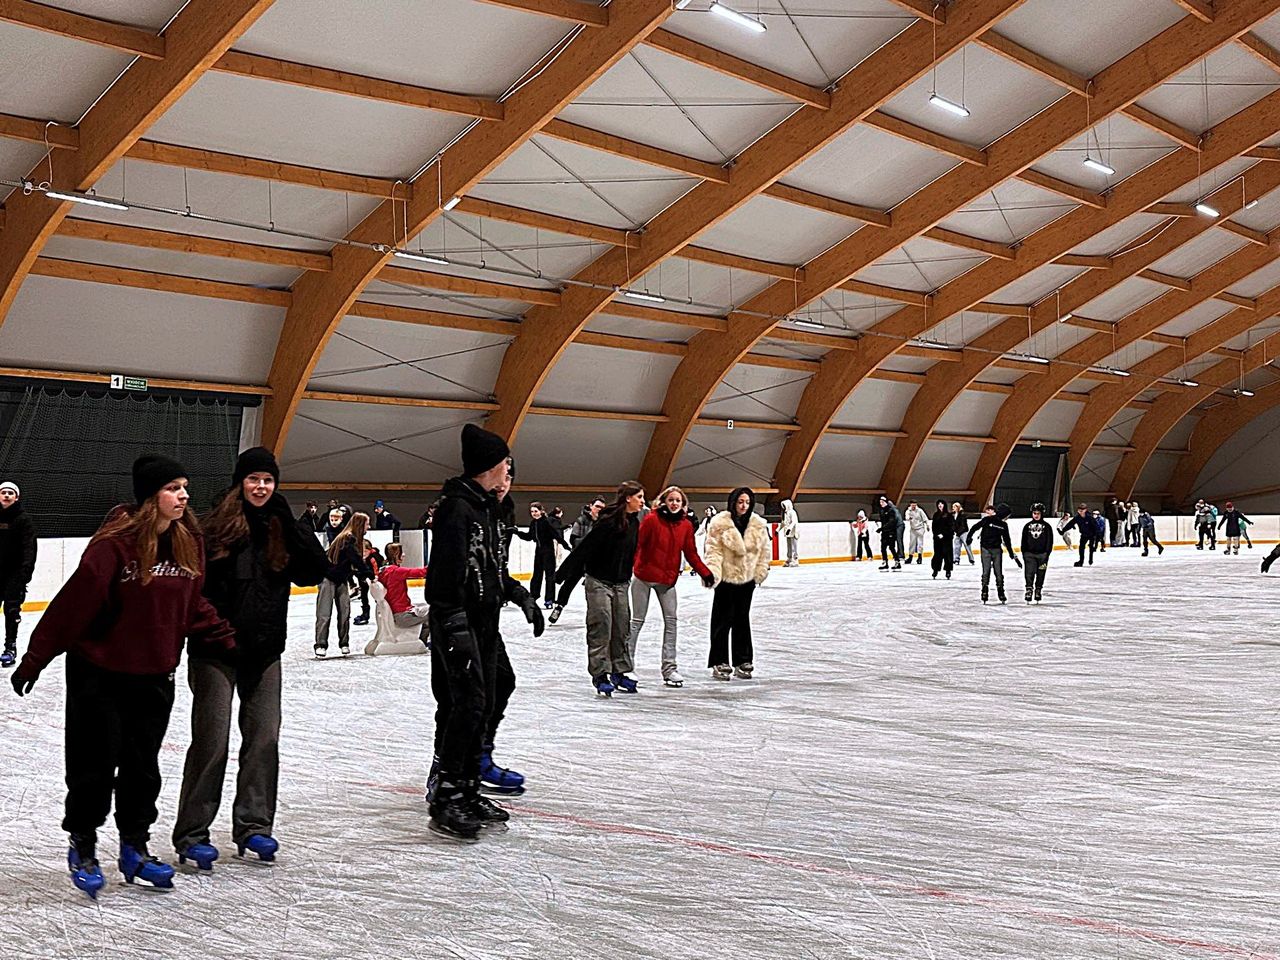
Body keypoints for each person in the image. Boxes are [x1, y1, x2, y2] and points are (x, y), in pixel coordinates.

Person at [10, 455, 234, 897]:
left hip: (154, 675)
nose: (184, 495)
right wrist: (36, 657)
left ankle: (135, 847)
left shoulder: (189, 540)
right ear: (152, 496)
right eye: (173, 488)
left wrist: (228, 639)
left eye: (184, 486)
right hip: (100, 674)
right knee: (93, 768)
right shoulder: (115, 544)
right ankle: (85, 844)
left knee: (142, 771)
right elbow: (73, 605)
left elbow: (190, 604)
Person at [172, 447, 328, 872]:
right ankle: (193, 833)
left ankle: (254, 827)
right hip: (215, 653)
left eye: (269, 481)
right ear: (241, 482)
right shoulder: (215, 526)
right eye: (255, 479)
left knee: (264, 738)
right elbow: (194, 588)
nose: (261, 487)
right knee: (212, 741)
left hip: (263, 654)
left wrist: (291, 523)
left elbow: (315, 570)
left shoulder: (281, 527)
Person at [424, 426, 543, 841]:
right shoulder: (457, 510)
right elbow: (443, 578)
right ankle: (448, 794)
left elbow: (492, 571)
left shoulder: (487, 508)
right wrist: (453, 626)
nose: (509, 472)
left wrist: (520, 595)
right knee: (468, 703)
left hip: (484, 621)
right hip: (459, 622)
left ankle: (469, 785)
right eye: (505, 464)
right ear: (491, 466)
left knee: (491, 693)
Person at [556, 482, 645, 697]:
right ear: (627, 498)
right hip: (598, 581)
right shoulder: (607, 522)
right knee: (601, 625)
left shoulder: (634, 523)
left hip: (621, 582)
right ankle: (600, 674)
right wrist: (562, 574)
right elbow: (586, 548)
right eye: (639, 497)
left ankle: (619, 671)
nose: (643, 501)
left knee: (621, 627)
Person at [628, 486, 714, 688]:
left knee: (671, 622)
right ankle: (626, 665)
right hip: (644, 577)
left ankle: (670, 669)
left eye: (678, 501)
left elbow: (691, 553)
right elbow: (638, 544)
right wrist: (630, 565)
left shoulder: (685, 526)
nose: (674, 503)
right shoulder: (651, 520)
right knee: (637, 621)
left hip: (667, 581)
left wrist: (705, 572)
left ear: (683, 505)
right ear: (664, 502)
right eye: (671, 500)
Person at [704, 487, 770, 681]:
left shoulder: (757, 524)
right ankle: (719, 660)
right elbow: (713, 550)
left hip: (747, 580)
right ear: (733, 502)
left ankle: (743, 659)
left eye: (747, 502)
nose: (743, 506)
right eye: (740, 502)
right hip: (726, 579)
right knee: (722, 621)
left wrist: (760, 571)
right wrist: (713, 573)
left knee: (742, 619)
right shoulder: (719, 524)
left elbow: (764, 551)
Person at [314, 512, 369, 657]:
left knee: (345, 612)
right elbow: (355, 559)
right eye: (367, 524)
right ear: (360, 524)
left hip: (341, 579)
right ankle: (320, 644)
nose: (368, 527)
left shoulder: (353, 539)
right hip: (327, 578)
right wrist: (369, 574)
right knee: (324, 613)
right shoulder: (347, 538)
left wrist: (362, 575)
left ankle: (344, 643)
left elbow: (351, 564)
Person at [0, 481, 36, 669]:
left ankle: (10, 647)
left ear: (16, 497)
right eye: (3, 492)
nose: (6, 495)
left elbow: (29, 548)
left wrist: (24, 574)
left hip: (14, 575)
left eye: (10, 493)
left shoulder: (23, 520)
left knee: (11, 611)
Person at [515, 502, 568, 610]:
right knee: (536, 575)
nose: (534, 513)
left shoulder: (546, 522)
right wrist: (517, 532)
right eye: (532, 512)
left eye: (536, 511)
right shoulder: (533, 523)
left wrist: (565, 544)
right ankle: (534, 596)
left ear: (541, 511)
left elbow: (555, 535)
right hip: (538, 552)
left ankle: (549, 599)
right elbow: (529, 537)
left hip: (548, 552)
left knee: (549, 576)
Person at [965, 503, 1020, 604]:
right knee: (986, 572)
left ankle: (1001, 591)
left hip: (997, 550)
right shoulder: (987, 520)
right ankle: (984, 591)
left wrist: (1011, 552)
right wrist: (969, 537)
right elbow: (975, 527)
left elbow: (1007, 540)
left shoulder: (1003, 525)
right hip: (985, 549)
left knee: (998, 572)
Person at [377, 542, 429, 640]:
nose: (404, 555)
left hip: (398, 612)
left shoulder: (383, 571)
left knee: (426, 610)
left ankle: (423, 639)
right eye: (402, 552)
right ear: (396, 555)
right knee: (434, 614)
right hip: (402, 615)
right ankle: (426, 641)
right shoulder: (396, 572)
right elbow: (422, 572)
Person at [1020, 503, 1054, 603]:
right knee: (1029, 573)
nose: (1036, 515)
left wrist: (1047, 553)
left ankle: (1038, 589)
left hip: (1042, 555)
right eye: (1034, 513)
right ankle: (1029, 589)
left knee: (1041, 573)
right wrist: (1024, 552)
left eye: (1038, 513)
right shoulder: (1027, 526)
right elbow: (1024, 540)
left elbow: (1049, 541)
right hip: (1029, 554)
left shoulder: (1047, 527)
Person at [876, 495, 903, 571]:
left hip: (891, 532)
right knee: (883, 548)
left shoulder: (891, 510)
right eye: (880, 502)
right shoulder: (881, 511)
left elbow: (891, 522)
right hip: (884, 532)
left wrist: (882, 528)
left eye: (882, 502)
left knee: (891, 547)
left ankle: (897, 562)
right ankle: (885, 562)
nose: (881, 503)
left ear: (885, 502)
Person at [929, 499, 954, 580]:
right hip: (937, 539)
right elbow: (934, 527)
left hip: (947, 539)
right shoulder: (936, 515)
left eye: (941, 504)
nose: (940, 505)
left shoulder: (949, 515)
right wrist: (937, 534)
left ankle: (948, 571)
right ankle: (935, 570)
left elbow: (951, 527)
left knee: (947, 555)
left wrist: (944, 534)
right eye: (938, 504)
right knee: (937, 555)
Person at [779, 498, 800, 567]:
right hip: (788, 533)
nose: (783, 507)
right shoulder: (785, 514)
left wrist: (789, 529)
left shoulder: (792, 512)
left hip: (793, 532)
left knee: (794, 546)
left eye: (784, 506)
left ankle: (795, 559)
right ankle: (789, 558)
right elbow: (783, 523)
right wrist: (777, 530)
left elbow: (794, 522)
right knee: (789, 546)